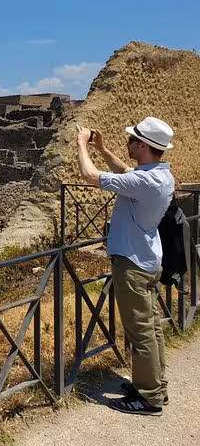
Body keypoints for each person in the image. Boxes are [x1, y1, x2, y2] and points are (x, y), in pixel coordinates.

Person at [76, 117, 175, 416]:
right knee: (152, 329)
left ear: (143, 146)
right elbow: (126, 172)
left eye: (132, 140)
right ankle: (155, 386)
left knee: (141, 333)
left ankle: (149, 399)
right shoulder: (159, 176)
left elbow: (90, 176)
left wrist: (82, 145)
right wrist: (103, 149)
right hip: (147, 260)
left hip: (132, 264)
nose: (128, 143)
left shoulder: (145, 181)